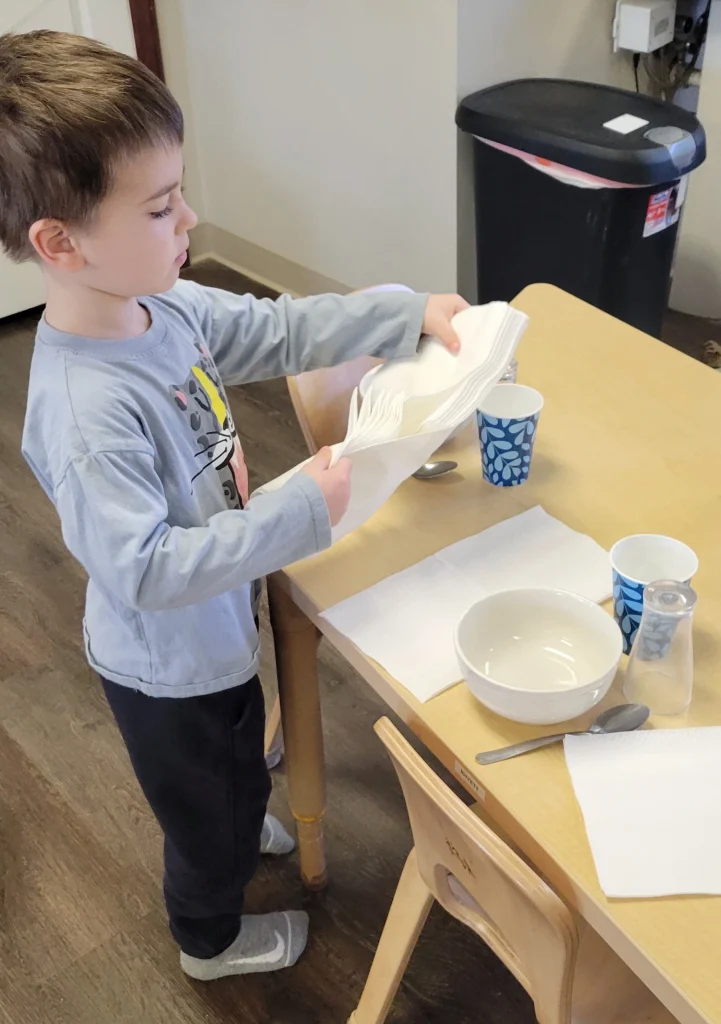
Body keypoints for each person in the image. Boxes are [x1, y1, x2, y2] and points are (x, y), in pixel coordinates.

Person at [0, 30, 468, 980]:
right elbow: (142, 569)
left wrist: (404, 311)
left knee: (233, 761)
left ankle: (230, 815)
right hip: (162, 665)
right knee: (203, 812)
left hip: (215, 627)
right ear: (60, 242)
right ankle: (207, 939)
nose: (190, 218)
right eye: (163, 205)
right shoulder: (88, 414)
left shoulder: (161, 307)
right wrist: (303, 511)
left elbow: (281, 326)